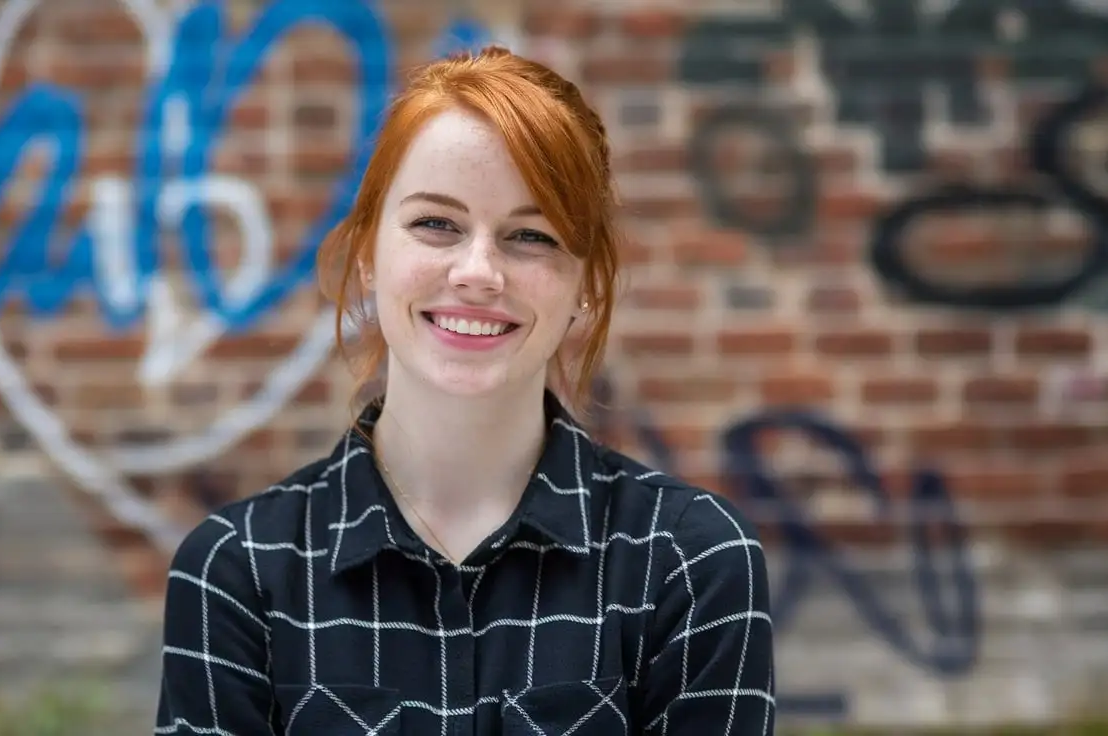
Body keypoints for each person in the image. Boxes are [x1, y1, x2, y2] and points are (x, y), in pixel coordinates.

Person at [155, 45, 775, 735]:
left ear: (588, 287)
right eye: (436, 224)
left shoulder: (688, 563)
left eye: (531, 235)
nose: (478, 271)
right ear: (367, 254)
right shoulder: (239, 573)